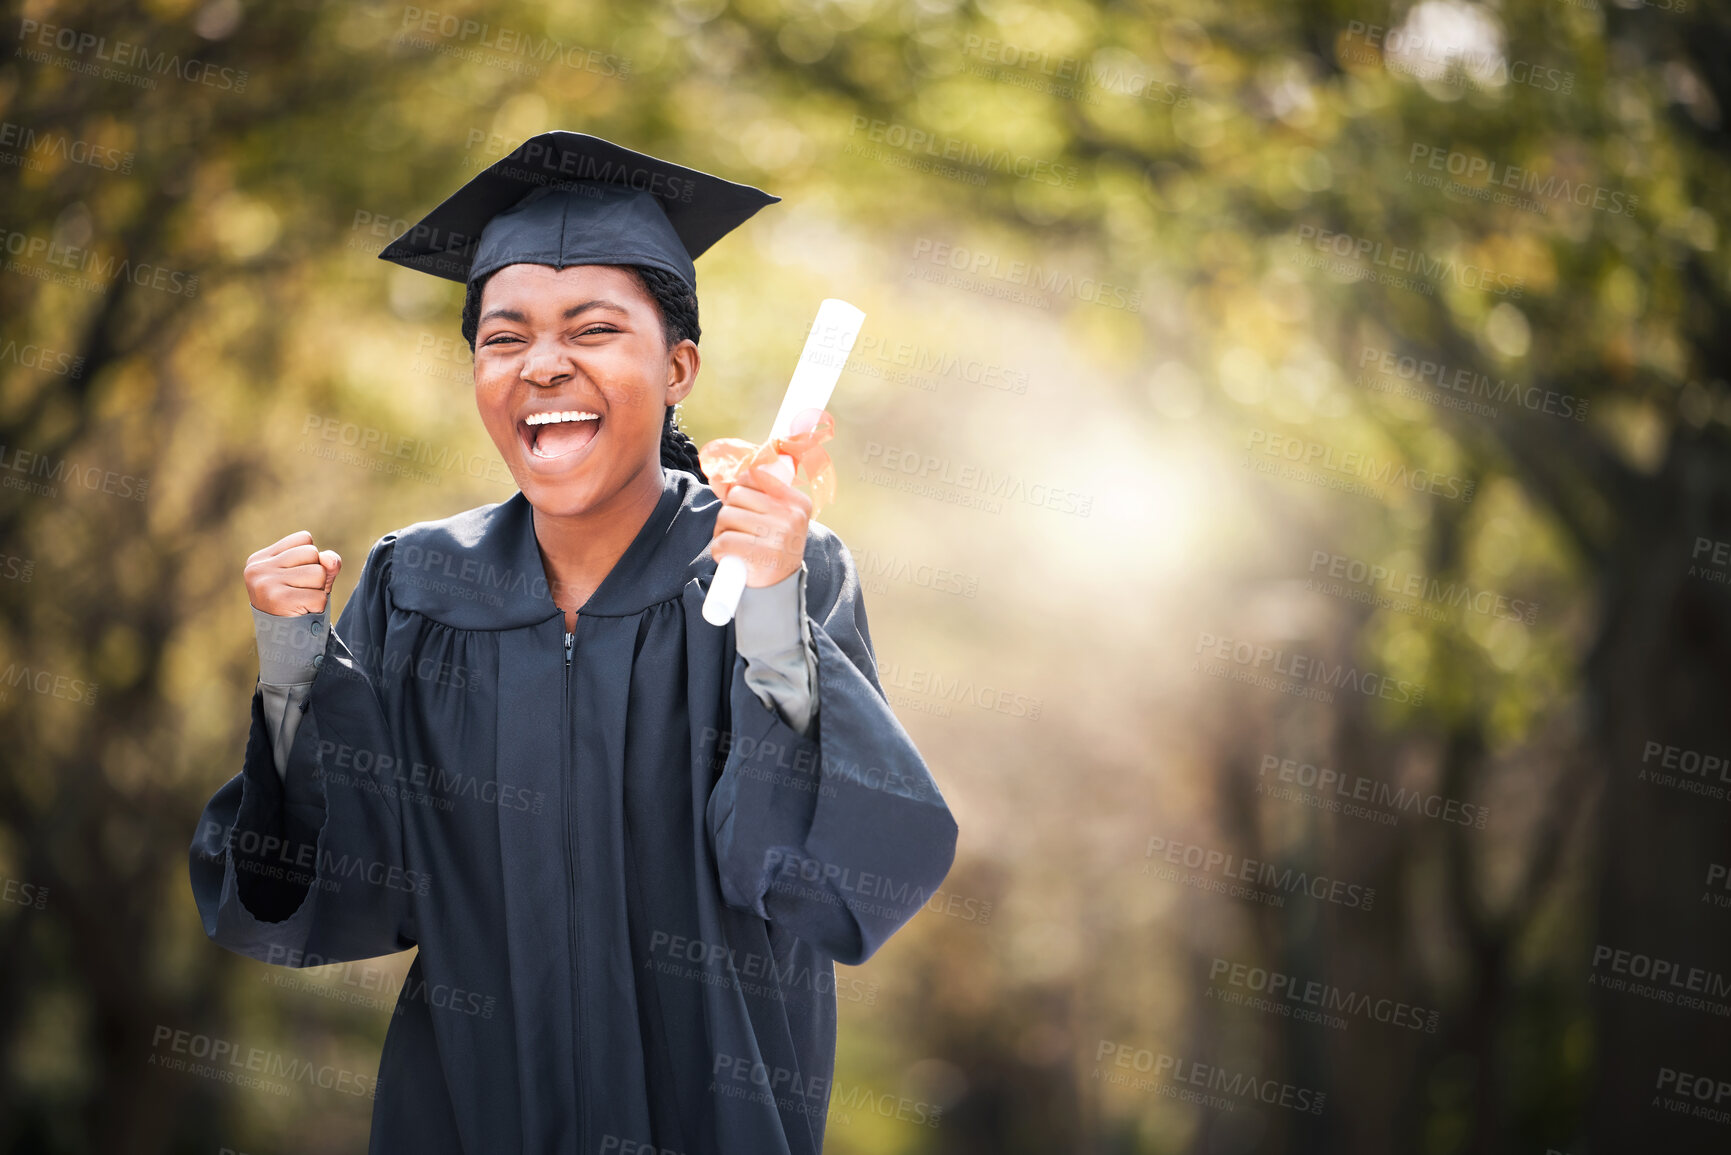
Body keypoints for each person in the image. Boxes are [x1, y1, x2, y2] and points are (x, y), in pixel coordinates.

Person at [188, 131, 959, 1155]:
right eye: (504, 339)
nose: (544, 363)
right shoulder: (420, 586)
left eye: (592, 330)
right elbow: (348, 885)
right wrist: (294, 668)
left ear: (678, 365)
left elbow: (842, 879)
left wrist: (771, 613)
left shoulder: (774, 565)